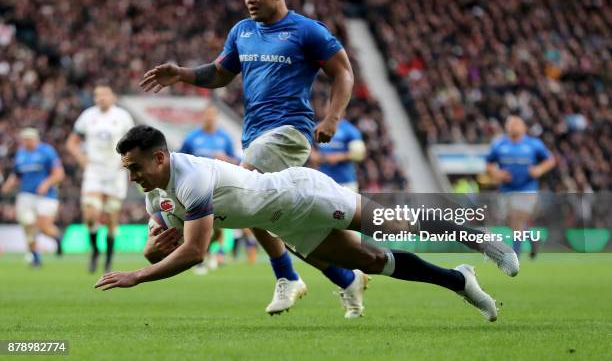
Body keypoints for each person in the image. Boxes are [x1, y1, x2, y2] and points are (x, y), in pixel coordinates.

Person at [95, 125, 516, 323]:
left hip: (300, 193)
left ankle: (479, 238)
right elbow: (157, 242)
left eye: (136, 167)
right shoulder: (154, 191)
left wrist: (139, 275)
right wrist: (150, 252)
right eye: (128, 169)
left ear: (160, 158)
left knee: (391, 225)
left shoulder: (192, 178)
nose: (132, 176)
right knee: (371, 261)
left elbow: (195, 251)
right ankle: (460, 282)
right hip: (285, 224)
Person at [139, 0, 362, 317]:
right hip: (254, 133)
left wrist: (332, 117)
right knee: (276, 216)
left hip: (290, 131)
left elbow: (343, 72)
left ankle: (287, 276)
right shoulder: (242, 31)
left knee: (246, 193)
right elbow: (219, 73)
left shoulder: (307, 31)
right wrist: (181, 73)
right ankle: (345, 275)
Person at [66, 85, 135, 273]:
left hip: (115, 171)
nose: (100, 98)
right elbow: (71, 142)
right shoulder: (88, 116)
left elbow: (134, 143)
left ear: (112, 96)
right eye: (96, 95)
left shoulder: (122, 116)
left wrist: (126, 161)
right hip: (94, 171)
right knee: (90, 216)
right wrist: (81, 158)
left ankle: (108, 261)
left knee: (112, 218)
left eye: (104, 94)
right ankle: (96, 250)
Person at [180, 104, 242, 273]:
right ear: (203, 116)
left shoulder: (225, 138)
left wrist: (225, 158)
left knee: (218, 226)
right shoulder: (192, 138)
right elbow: (180, 160)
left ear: (216, 117)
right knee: (201, 224)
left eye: (212, 115)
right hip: (196, 188)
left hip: (219, 187)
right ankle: (199, 258)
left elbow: (236, 161)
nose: (209, 118)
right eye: (207, 114)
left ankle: (208, 252)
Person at [486, 114, 556, 258]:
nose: (513, 126)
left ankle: (514, 255)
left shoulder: (533, 144)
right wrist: (498, 174)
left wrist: (539, 170)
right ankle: (532, 240)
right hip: (506, 190)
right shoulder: (500, 144)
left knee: (518, 219)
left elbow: (550, 160)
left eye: (516, 123)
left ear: (524, 127)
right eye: (510, 123)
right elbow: (489, 164)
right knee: (510, 221)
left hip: (527, 189)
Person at [1, 128, 64, 266]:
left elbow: (59, 173)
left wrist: (46, 184)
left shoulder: (47, 151)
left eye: (29, 139)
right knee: (28, 225)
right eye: (24, 139)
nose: (27, 142)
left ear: (36, 139)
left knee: (43, 226)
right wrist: (8, 185)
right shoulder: (21, 153)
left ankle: (57, 238)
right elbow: (17, 174)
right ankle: (35, 257)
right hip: (26, 194)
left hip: (46, 196)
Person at [310, 118, 366, 192]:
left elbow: (359, 154)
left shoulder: (350, 129)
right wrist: (312, 154)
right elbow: (309, 145)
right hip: (323, 181)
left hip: (345, 181)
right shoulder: (317, 126)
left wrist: (338, 157)